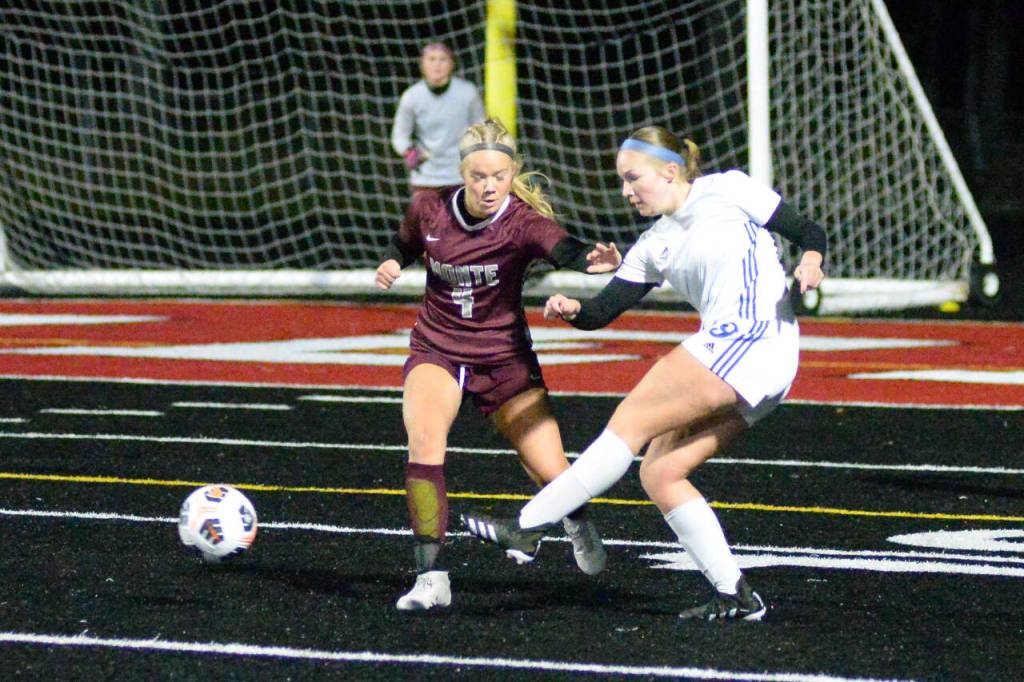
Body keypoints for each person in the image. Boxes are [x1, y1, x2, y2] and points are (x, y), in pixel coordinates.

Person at [460, 125, 827, 622]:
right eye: (621, 181)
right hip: (764, 363)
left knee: (628, 424)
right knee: (660, 471)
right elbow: (602, 312)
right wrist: (573, 309)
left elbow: (810, 231)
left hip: (752, 339)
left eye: (633, 178)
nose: (626, 191)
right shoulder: (653, 244)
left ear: (670, 170)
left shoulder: (729, 189)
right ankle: (736, 595)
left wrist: (810, 260)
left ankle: (527, 525)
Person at [376, 118, 623, 611]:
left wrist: (592, 260)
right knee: (424, 442)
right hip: (438, 349)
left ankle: (576, 520)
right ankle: (431, 579)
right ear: (461, 173)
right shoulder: (428, 207)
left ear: (513, 173)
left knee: (552, 469)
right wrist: (391, 262)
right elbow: (405, 243)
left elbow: (564, 248)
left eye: (500, 176)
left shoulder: (522, 221)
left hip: (504, 359)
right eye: (479, 177)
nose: (490, 187)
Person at [390, 42, 486, 193]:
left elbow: (481, 129)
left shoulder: (467, 92)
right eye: (432, 59)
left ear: (451, 64)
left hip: (461, 177)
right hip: (425, 178)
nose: (437, 65)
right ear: (422, 65)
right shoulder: (411, 96)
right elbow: (399, 136)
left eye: (443, 59)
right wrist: (410, 151)